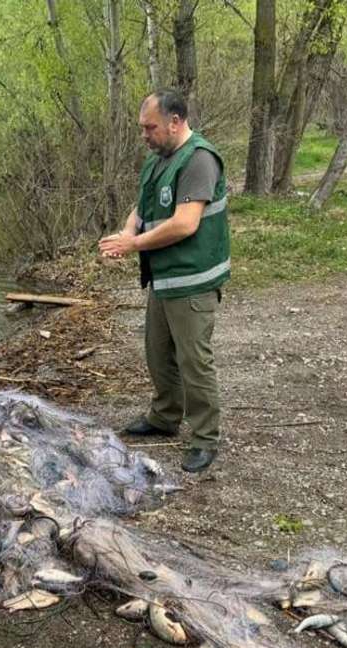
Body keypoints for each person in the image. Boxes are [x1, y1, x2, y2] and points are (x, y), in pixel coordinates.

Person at [99, 89, 230, 473]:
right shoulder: (160, 159)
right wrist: (124, 235)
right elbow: (143, 205)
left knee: (194, 361)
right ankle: (164, 416)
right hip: (164, 279)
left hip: (192, 281)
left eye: (150, 127)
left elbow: (186, 223)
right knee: (158, 354)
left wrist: (133, 244)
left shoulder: (200, 160)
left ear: (175, 122)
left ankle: (205, 438)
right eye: (142, 128)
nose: (144, 135)